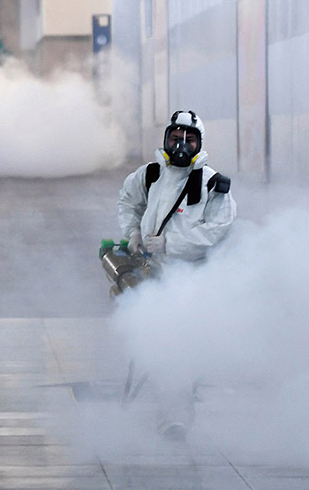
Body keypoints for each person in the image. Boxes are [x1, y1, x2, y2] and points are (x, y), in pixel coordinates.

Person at [117, 109, 236, 440]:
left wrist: (171, 245)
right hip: (152, 275)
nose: (181, 145)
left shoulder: (213, 184)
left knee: (180, 346)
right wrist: (133, 233)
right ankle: (169, 413)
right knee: (159, 343)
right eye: (175, 138)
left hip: (192, 281)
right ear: (166, 139)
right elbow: (128, 202)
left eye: (189, 139)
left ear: (200, 143)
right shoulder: (150, 175)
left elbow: (218, 230)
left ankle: (175, 414)